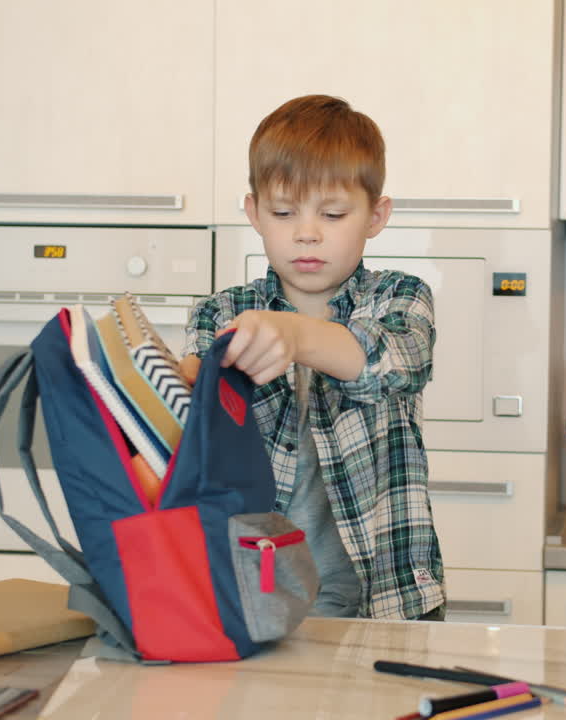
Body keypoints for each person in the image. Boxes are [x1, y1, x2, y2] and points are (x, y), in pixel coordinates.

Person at [180, 95, 445, 620]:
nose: (307, 231)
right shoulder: (220, 314)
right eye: (283, 212)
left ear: (376, 215)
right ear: (254, 212)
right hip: (254, 597)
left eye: (333, 213)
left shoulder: (401, 297)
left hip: (389, 598)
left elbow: (393, 363)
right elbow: (187, 436)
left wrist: (293, 335)